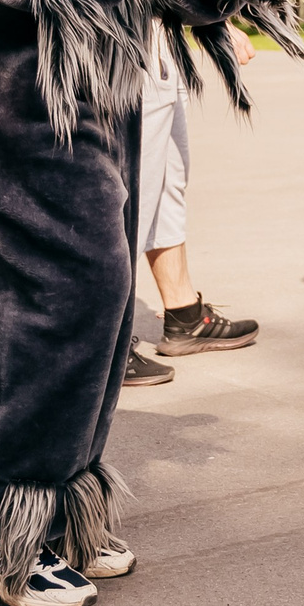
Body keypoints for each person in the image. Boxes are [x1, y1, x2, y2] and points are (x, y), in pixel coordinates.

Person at [125, 23, 260, 387]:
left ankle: (184, 315)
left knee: (168, 182)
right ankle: (102, 342)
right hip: (122, 35)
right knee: (129, 194)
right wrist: (211, 21)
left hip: (160, 37)